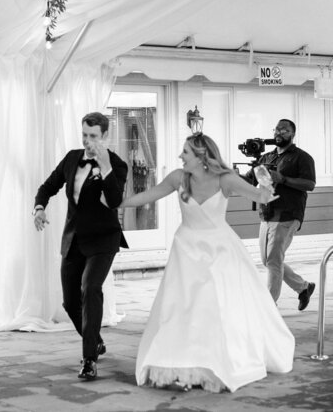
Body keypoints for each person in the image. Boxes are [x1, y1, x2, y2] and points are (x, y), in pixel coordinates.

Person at [121, 132, 294, 393]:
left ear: (202, 156)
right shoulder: (179, 178)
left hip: (218, 250)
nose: (181, 156)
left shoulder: (225, 179)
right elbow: (149, 195)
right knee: (181, 308)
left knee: (212, 306)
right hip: (186, 249)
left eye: (186, 152)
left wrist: (265, 182)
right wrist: (117, 204)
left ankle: (215, 360)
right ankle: (179, 360)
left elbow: (261, 197)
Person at [33, 112, 128, 380]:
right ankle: (95, 340)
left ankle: (89, 360)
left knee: (91, 288)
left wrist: (106, 167)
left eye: (93, 136)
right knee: (70, 301)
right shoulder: (72, 158)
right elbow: (48, 186)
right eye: (84, 135)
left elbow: (114, 199)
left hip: (103, 239)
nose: (87, 141)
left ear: (105, 136)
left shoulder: (118, 166)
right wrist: (39, 207)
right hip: (74, 239)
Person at [244, 119, 316, 309]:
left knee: (274, 260)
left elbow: (309, 184)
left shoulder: (302, 157)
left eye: (285, 129)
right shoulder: (266, 157)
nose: (279, 132)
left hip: (288, 213)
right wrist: (234, 176)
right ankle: (303, 288)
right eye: (277, 129)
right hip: (267, 213)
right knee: (268, 260)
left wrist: (283, 179)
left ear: (292, 134)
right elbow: (250, 180)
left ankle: (269, 308)